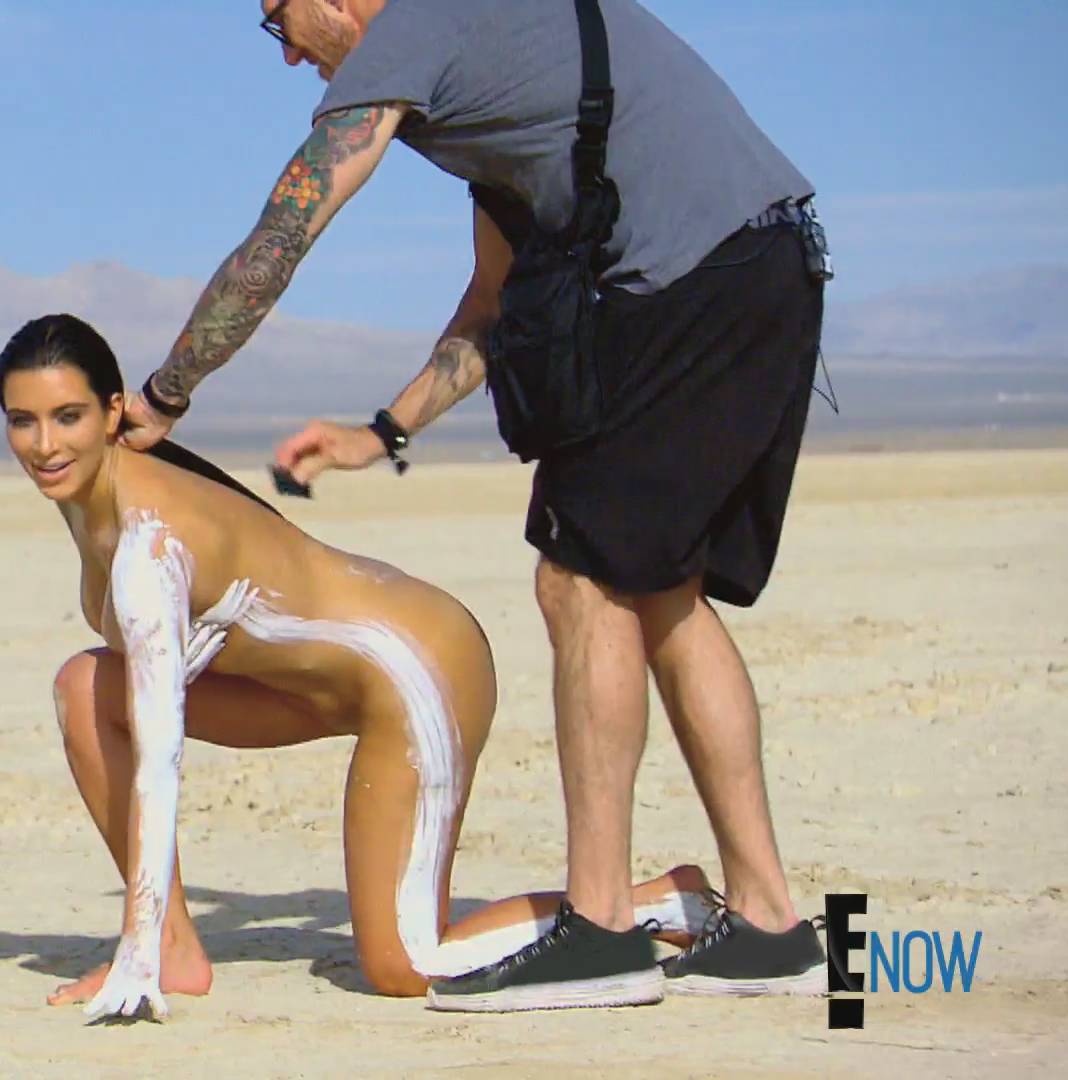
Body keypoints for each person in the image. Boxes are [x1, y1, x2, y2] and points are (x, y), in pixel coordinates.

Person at [116, 0, 830, 1010]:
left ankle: (601, 932)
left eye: (280, 18)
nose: (288, 54)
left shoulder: (415, 27)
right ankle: (768, 924)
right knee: (662, 593)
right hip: (764, 267)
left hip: (688, 282)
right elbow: (493, 301)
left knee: (580, 582)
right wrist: (385, 431)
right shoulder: (493, 76)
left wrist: (165, 393)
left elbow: (285, 231)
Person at [0, 313, 713, 1020]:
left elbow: (160, 761)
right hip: (311, 689)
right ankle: (176, 946)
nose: (45, 445)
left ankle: (652, 904)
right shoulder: (89, 502)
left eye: (67, 417)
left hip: (419, 666)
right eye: (23, 422)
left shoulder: (149, 541)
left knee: (406, 963)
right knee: (85, 688)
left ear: (113, 411)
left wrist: (133, 958)